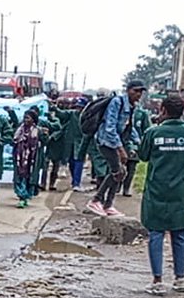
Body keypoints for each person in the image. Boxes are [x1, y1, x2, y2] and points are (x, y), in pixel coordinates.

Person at [139, 93, 184, 295]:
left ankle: (157, 281)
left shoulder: (153, 133)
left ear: (163, 111)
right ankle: (180, 279)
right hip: (181, 190)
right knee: (180, 233)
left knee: (156, 233)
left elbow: (143, 155)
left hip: (157, 188)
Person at [87, 81, 144, 217]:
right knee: (117, 171)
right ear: (128, 90)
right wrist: (120, 149)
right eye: (135, 91)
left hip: (120, 141)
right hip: (106, 141)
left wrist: (139, 142)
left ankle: (108, 205)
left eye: (141, 92)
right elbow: (110, 127)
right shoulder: (117, 102)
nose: (138, 94)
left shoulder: (132, 107)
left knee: (120, 173)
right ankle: (96, 200)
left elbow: (130, 128)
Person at [46, 95, 80, 191]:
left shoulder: (73, 115)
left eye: (64, 103)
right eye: (60, 103)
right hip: (54, 141)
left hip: (65, 142)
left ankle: (74, 181)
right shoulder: (55, 115)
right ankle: (47, 183)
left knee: (71, 162)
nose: (62, 105)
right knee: (49, 163)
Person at [121, 100, 152, 197]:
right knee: (118, 166)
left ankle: (126, 188)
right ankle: (117, 185)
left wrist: (143, 143)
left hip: (136, 144)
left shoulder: (142, 114)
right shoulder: (121, 112)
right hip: (121, 144)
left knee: (131, 167)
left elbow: (146, 129)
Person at [12, 109, 42, 208]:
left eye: (28, 118)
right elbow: (14, 140)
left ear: (33, 120)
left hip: (31, 159)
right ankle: (21, 197)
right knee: (19, 177)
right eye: (24, 118)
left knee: (29, 178)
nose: (25, 120)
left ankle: (26, 197)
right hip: (19, 158)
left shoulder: (37, 131)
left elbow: (44, 142)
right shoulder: (19, 130)